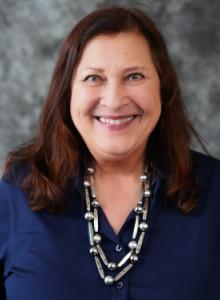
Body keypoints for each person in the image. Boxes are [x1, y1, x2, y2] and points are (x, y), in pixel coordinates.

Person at [0, 5, 220, 300]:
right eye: (94, 78)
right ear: (67, 93)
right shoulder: (16, 193)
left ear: (163, 89)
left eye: (134, 76)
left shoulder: (215, 189)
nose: (114, 101)